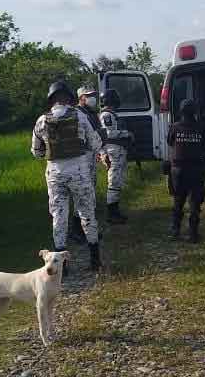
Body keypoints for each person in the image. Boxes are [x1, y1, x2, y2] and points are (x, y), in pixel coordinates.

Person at [31, 80, 104, 270]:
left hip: (55, 173)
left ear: (51, 99)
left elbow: (37, 152)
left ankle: (62, 267)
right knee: (87, 213)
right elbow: (95, 143)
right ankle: (95, 260)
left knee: (59, 216)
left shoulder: (42, 120)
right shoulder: (79, 116)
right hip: (79, 171)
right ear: (68, 98)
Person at [68, 85, 105, 244]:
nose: (93, 98)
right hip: (81, 161)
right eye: (89, 95)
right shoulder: (77, 114)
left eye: (94, 95)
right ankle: (77, 231)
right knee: (81, 196)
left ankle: (87, 230)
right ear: (81, 97)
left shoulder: (91, 114)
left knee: (89, 196)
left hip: (89, 159)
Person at [166, 98, 205, 242]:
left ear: (180, 111)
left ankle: (175, 230)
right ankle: (193, 233)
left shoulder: (175, 127)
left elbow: (170, 142)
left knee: (178, 200)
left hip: (178, 169)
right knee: (195, 202)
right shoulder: (202, 127)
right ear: (195, 112)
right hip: (196, 169)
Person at [98, 89, 132, 224]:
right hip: (113, 150)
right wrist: (126, 134)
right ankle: (112, 214)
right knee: (114, 182)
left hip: (117, 150)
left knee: (117, 181)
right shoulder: (106, 115)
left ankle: (115, 211)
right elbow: (109, 133)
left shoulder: (111, 114)